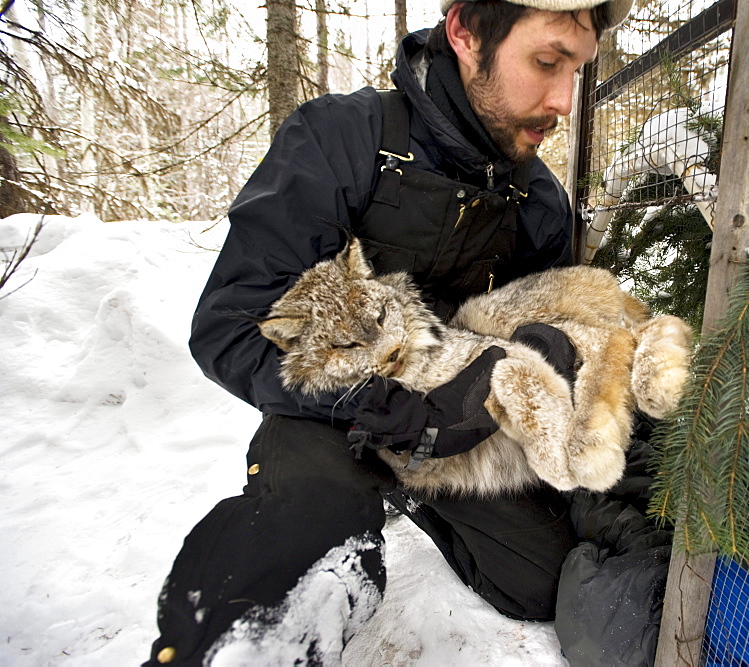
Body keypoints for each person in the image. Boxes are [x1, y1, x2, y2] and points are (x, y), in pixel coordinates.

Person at [146, 0, 633, 663]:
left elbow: (553, 321)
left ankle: (416, 493)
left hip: (461, 430)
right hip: (329, 408)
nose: (563, 100)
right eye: (546, 62)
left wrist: (539, 354)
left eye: (577, 70)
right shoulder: (342, 140)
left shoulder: (539, 200)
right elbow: (232, 325)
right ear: (464, 33)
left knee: (539, 580)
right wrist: (378, 406)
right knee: (304, 540)